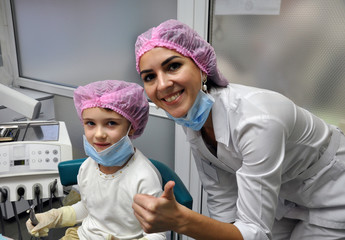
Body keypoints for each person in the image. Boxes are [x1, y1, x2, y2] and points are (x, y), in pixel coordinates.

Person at [132, 19, 345, 240]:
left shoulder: (257, 120)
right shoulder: (195, 120)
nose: (163, 84)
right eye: (150, 77)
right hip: (284, 197)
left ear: (201, 67)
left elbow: (255, 232)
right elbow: (222, 200)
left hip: (331, 197)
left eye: (173, 66)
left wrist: (182, 221)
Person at [26, 80, 166, 240]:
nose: (99, 134)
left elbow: (158, 234)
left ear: (132, 126)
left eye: (111, 123)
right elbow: (89, 208)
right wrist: (54, 217)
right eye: (90, 123)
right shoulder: (87, 168)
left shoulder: (144, 177)